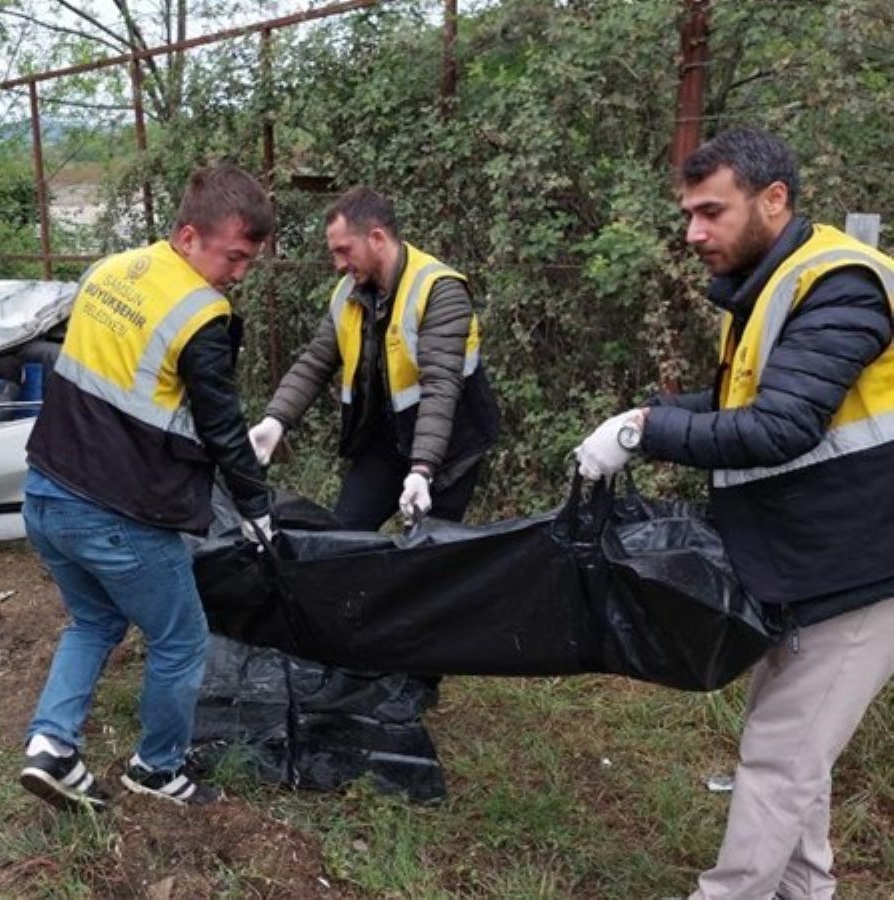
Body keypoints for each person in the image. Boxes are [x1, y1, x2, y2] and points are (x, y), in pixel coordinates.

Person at [574, 127, 894, 899]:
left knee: (780, 757)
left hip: (866, 567)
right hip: (810, 560)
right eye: (689, 213)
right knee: (792, 751)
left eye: (710, 212)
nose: (693, 232)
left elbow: (782, 428)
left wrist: (646, 432)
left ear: (773, 199)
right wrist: (643, 414)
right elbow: (742, 403)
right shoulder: (769, 286)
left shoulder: (840, 285)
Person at [18, 163, 275, 812]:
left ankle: (51, 748)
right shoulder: (200, 313)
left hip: (44, 493)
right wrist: (257, 507)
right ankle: (157, 770)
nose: (239, 274)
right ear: (190, 237)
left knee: (96, 620)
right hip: (115, 514)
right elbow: (220, 424)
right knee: (181, 640)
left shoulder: (110, 271)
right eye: (234, 256)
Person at [248, 186, 498, 531]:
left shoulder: (439, 290)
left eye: (343, 251)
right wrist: (275, 421)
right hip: (386, 441)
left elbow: (441, 386)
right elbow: (316, 361)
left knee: (428, 559)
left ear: (376, 238)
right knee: (343, 539)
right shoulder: (348, 293)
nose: (338, 264)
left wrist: (422, 468)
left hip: (448, 448)